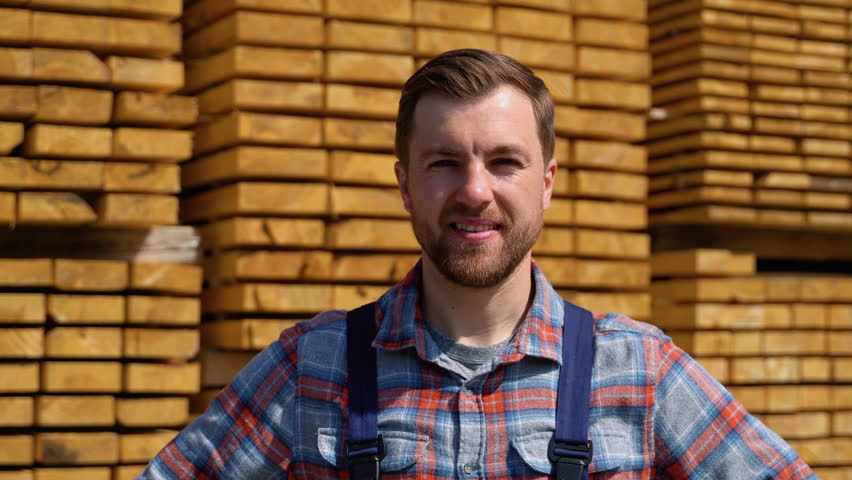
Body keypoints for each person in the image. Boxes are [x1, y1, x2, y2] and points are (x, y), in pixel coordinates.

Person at [139, 49, 815, 479]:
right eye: (444, 162)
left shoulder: (640, 371)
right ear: (405, 184)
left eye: (504, 162)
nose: (474, 189)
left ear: (547, 182)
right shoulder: (313, 367)